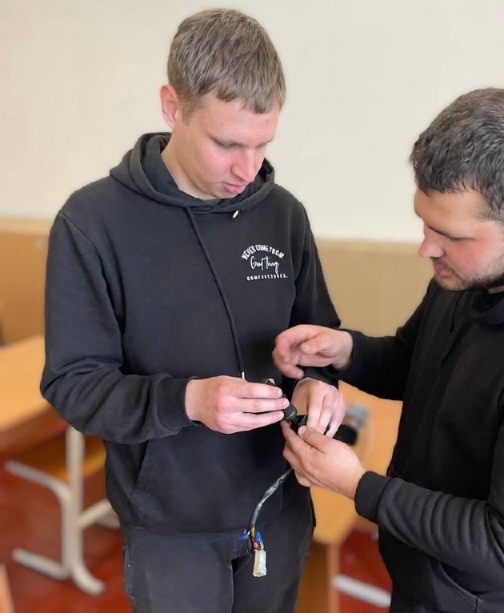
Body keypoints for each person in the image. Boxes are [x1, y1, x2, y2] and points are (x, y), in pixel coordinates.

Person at [274, 88, 504, 613]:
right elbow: (415, 362)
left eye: (451, 234)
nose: (427, 247)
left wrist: (358, 486)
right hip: (433, 581)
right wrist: (345, 350)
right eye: (425, 223)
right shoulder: (472, 275)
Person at [41, 8, 345, 613]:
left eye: (263, 143)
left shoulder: (283, 214)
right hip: (169, 529)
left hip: (278, 508)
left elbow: (319, 340)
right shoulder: (92, 223)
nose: (247, 169)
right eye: (227, 143)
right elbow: (73, 385)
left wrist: (318, 385)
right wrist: (188, 401)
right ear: (172, 107)